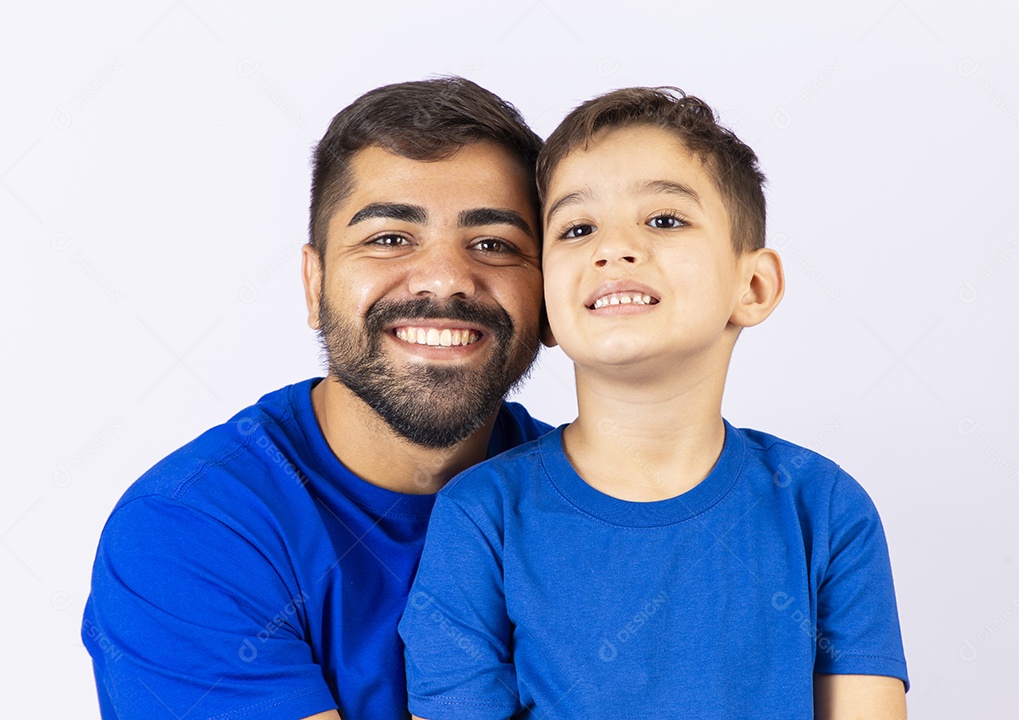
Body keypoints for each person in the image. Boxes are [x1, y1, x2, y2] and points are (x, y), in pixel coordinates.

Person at [398, 87, 909, 719]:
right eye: (577, 228)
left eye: (664, 220)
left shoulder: (824, 510)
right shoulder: (482, 518)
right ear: (546, 309)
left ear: (752, 285)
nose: (612, 249)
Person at [82, 77, 552, 720]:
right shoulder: (187, 532)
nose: (445, 278)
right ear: (315, 283)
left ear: (551, 294)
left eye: (494, 244)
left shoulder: (600, 501)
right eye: (390, 238)